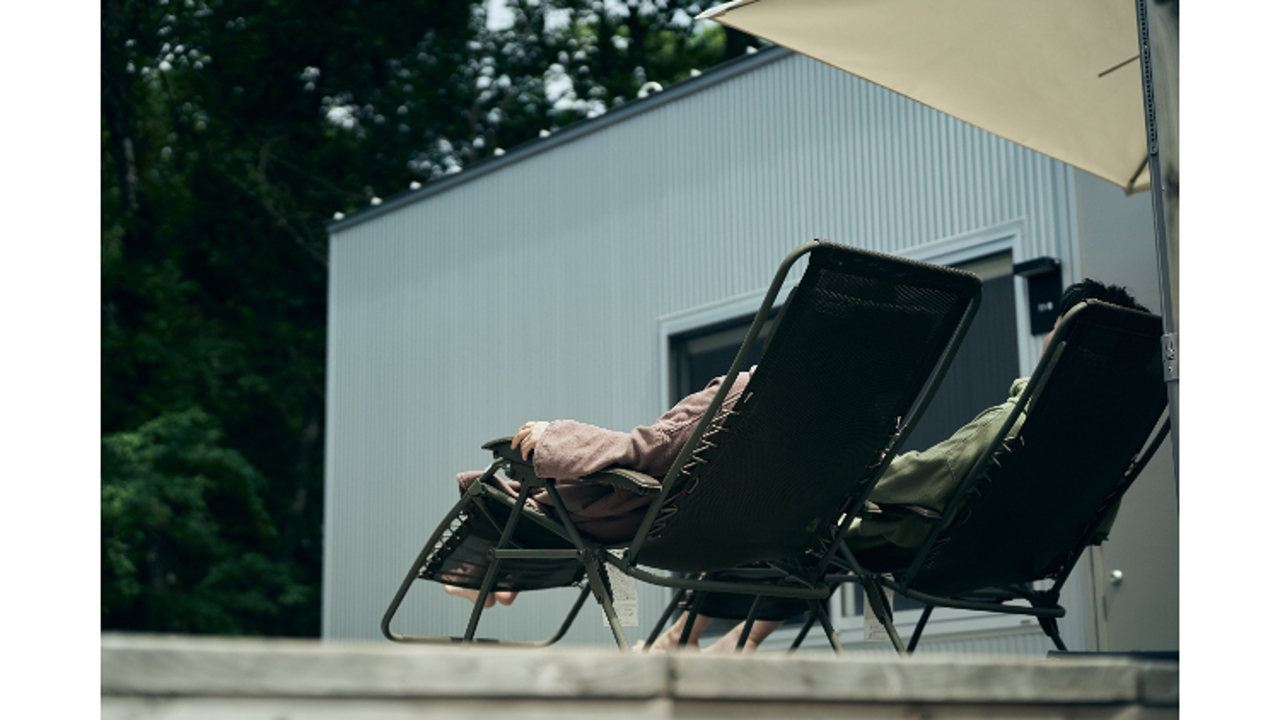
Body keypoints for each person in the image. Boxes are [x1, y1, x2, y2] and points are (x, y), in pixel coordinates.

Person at [447, 279, 1149, 653]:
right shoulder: (1104, 435)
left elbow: (929, 475)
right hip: (1013, 556)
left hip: (911, 541)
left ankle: (682, 644)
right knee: (784, 526)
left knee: (794, 529)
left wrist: (551, 436)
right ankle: (706, 647)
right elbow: (1091, 520)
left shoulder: (1014, 420)